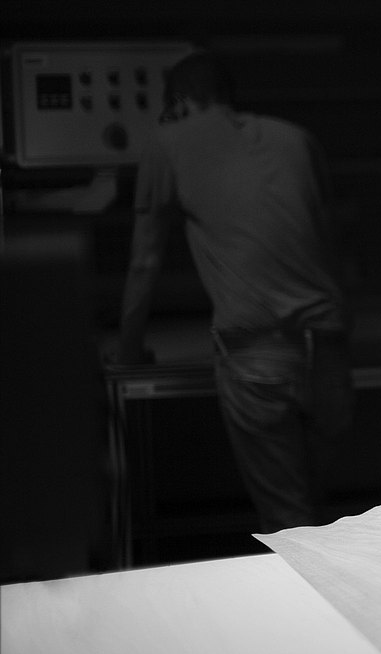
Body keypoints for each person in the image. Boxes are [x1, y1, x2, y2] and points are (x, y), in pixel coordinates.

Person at [115, 51, 353, 533]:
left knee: (289, 521)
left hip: (258, 355)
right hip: (329, 352)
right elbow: (327, 244)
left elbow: (144, 263)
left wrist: (127, 351)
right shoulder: (297, 139)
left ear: (179, 103)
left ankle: (298, 606)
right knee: (322, 511)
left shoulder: (169, 141)